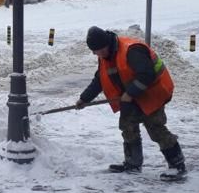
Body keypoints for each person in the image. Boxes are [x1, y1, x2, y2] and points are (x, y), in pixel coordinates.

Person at [77, 27, 187, 181]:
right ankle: (133, 163)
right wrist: (84, 99)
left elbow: (147, 73)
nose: (97, 54)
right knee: (127, 127)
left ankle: (177, 165)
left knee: (156, 129)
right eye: (94, 51)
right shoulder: (105, 55)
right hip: (129, 96)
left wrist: (130, 93)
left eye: (98, 50)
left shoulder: (132, 50)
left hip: (150, 93)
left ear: (106, 44)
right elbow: (100, 80)